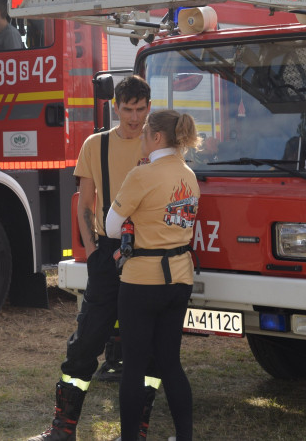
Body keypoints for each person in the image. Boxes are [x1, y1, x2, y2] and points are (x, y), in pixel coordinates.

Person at [29, 75, 152, 441]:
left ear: (149, 107)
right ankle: (63, 428)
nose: (134, 117)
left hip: (148, 257)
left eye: (141, 109)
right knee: (84, 344)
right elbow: (84, 204)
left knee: (144, 348)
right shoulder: (94, 145)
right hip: (106, 255)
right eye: (127, 109)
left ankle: (137, 431)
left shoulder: (159, 145)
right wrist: (94, 250)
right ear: (115, 108)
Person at [106, 109, 201, 441]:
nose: (141, 137)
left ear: (156, 137)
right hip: (179, 278)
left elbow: (111, 227)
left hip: (142, 280)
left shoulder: (141, 175)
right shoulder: (189, 174)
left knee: (133, 366)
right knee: (170, 363)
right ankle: (184, 436)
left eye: (145, 132)